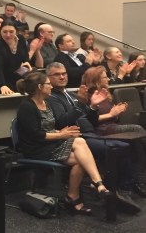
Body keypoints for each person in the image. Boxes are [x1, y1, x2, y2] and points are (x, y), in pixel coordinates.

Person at [46, 62, 146, 202]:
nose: (62, 77)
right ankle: (120, 189)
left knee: (125, 146)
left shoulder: (71, 94)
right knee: (120, 148)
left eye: (64, 73)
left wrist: (92, 106)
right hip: (78, 138)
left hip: (91, 133)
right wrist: (81, 104)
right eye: (57, 74)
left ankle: (121, 188)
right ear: (48, 78)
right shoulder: (52, 98)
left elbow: (90, 119)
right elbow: (63, 122)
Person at [16, 70, 111, 214]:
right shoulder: (27, 106)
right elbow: (36, 136)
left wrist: (62, 131)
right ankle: (97, 185)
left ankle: (75, 196)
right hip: (36, 149)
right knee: (79, 143)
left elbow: (55, 125)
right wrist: (61, 135)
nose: (51, 87)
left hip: (49, 144)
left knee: (80, 159)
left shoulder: (45, 102)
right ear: (40, 87)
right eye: (48, 84)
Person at [0, 20, 34, 95]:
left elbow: (25, 57)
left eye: (11, 32)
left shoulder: (21, 39)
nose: (8, 35)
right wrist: (2, 85)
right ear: (0, 32)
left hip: (18, 75)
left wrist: (27, 63)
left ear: (16, 31)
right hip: (2, 78)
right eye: (5, 32)